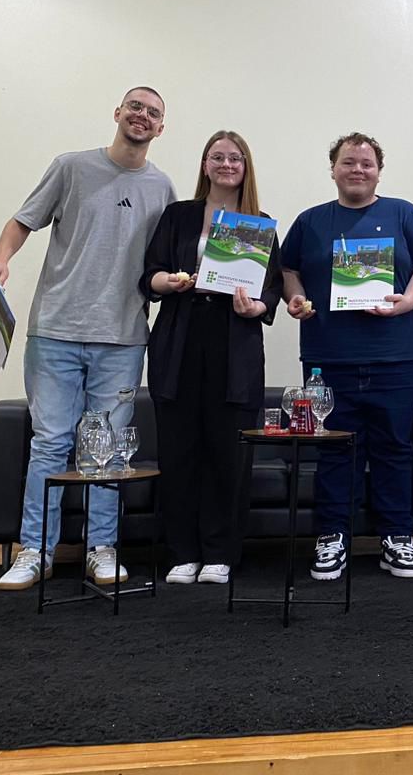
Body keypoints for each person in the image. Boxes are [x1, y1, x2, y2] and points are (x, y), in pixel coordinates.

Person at [0, 86, 176, 591]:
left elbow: (167, 258)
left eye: (153, 112)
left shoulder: (162, 187)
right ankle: (35, 551)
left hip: (123, 337)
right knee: (49, 443)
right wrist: (1, 261)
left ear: (161, 128)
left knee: (108, 451)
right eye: (135, 106)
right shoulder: (70, 167)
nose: (142, 116)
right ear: (118, 113)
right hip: (56, 330)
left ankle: (102, 549)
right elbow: (22, 221)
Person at [280, 132, 413, 580]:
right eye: (348, 162)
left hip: (395, 358)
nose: (357, 170)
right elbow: (288, 269)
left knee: (395, 449)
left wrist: (409, 301)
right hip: (328, 359)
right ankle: (332, 537)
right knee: (334, 450)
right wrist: (296, 298)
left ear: (379, 171)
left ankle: (397, 537)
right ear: (332, 169)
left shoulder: (403, 213)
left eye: (366, 163)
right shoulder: (311, 221)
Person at [141, 131, 282, 586]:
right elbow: (149, 274)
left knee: (228, 454)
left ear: (246, 166)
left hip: (234, 344)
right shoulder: (178, 215)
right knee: (179, 451)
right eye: (217, 157)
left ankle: (221, 553)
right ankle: (183, 552)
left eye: (234, 158)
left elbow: (272, 288)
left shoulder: (259, 224)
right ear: (205, 164)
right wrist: (168, 281)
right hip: (179, 340)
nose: (226, 164)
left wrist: (257, 307)